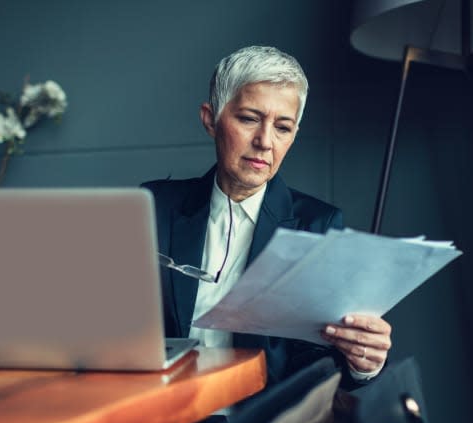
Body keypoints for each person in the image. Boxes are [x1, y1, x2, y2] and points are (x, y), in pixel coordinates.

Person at [142, 46, 392, 392]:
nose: (264, 142)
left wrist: (362, 362)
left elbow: (314, 358)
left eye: (283, 127)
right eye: (248, 119)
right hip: (164, 412)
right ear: (210, 119)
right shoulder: (153, 206)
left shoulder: (317, 224)